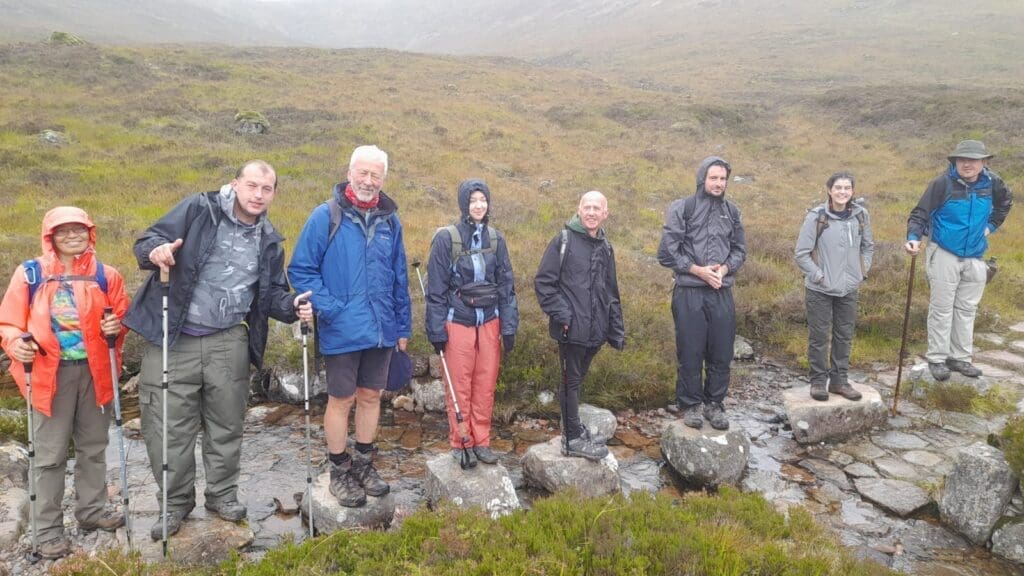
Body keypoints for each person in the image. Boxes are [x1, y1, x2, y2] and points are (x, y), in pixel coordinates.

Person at [124, 160, 312, 540]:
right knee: (167, 428)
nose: (258, 194)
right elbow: (146, 243)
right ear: (235, 184)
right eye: (252, 185)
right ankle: (175, 503)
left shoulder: (269, 239)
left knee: (227, 424)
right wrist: (157, 251)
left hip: (229, 340)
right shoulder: (199, 209)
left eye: (267, 188)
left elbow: (272, 294)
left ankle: (222, 495)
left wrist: (292, 307)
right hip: (173, 337)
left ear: (274, 193)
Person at [0, 207, 129, 559]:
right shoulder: (30, 274)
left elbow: (122, 317)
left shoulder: (107, 276)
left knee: (93, 446)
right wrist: (16, 344)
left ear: (91, 233)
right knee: (49, 455)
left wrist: (116, 328)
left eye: (79, 230)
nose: (73, 236)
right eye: (63, 231)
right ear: (50, 236)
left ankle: (92, 512)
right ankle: (47, 531)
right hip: (48, 374)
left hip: (95, 372)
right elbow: (8, 323)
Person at [288, 145, 411, 507]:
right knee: (341, 400)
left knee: (371, 396)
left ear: (383, 179)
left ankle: (363, 463)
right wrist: (332, 309)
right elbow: (301, 270)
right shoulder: (325, 216)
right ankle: (339, 469)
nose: (369, 181)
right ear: (350, 172)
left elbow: (399, 277)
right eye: (363, 173)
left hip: (381, 327)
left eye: (376, 175)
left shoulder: (391, 220)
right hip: (342, 328)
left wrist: (402, 326)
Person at [426, 179, 519, 466]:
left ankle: (483, 441)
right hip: (458, 322)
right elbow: (436, 289)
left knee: (485, 384)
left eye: (483, 199)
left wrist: (509, 326)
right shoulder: (446, 239)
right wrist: (436, 329)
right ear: (464, 203)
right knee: (459, 385)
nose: (478, 205)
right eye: (473, 200)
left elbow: (506, 285)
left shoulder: (496, 238)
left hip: (489, 321)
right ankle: (461, 441)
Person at [905, 140, 1013, 381]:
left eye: (973, 160)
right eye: (962, 160)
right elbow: (919, 214)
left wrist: (990, 227)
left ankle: (960, 358)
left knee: (966, 309)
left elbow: (1005, 203)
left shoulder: (993, 183)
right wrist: (913, 238)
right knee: (942, 308)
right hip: (944, 251)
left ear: (983, 162)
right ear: (954, 162)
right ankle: (937, 359)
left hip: (975, 254)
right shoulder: (942, 184)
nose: (967, 164)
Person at [657, 156, 746, 431]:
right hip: (688, 292)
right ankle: (691, 405)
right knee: (691, 351)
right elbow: (666, 251)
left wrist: (725, 268)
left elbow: (740, 249)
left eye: (722, 179)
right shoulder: (683, 208)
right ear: (702, 179)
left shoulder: (732, 211)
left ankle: (714, 404)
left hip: (721, 291)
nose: (718, 183)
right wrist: (696, 270)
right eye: (714, 178)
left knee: (721, 351)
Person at [534, 191, 624, 461]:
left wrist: (616, 330)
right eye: (588, 207)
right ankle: (571, 438)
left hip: (595, 331)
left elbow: (611, 291)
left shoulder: (605, 247)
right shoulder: (563, 240)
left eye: (597, 208)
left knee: (576, 381)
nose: (592, 212)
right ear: (579, 210)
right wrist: (564, 315)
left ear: (605, 213)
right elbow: (544, 283)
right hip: (570, 330)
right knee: (570, 381)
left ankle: (574, 429)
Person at [794, 172, 874, 401]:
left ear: (852, 191)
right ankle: (818, 382)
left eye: (847, 188)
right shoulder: (817, 216)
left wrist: (861, 272)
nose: (842, 192)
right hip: (819, 289)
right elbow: (801, 253)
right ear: (829, 190)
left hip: (849, 288)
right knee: (819, 337)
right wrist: (819, 276)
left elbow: (868, 247)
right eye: (838, 187)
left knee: (844, 335)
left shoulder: (861, 215)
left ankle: (839, 382)